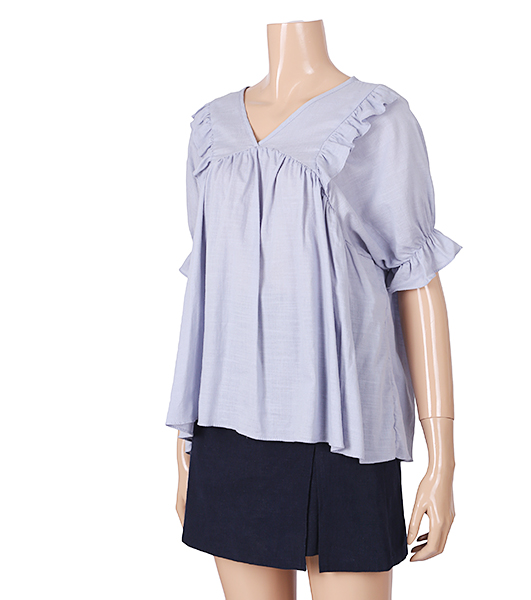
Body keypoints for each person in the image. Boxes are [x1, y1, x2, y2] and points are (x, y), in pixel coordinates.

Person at [168, 19, 461, 600]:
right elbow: (208, 288)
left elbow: (417, 280)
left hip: (343, 435)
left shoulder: (377, 120)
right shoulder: (210, 131)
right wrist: (184, 446)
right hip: (228, 432)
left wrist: (443, 460)